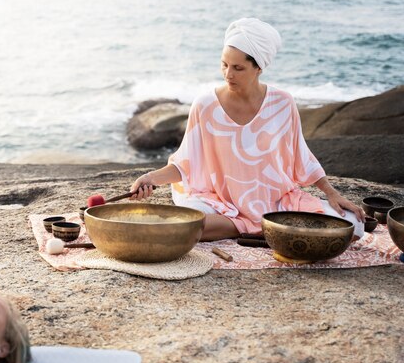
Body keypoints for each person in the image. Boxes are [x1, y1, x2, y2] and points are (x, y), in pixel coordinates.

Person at [130, 17, 365, 241]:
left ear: (259, 68)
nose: (228, 74)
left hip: (276, 203)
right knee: (191, 225)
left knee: (355, 226)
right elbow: (186, 164)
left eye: (238, 68)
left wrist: (332, 194)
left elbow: (302, 157)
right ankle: (253, 228)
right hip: (220, 203)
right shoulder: (205, 105)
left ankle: (256, 227)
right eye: (224, 64)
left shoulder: (282, 103)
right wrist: (150, 178)